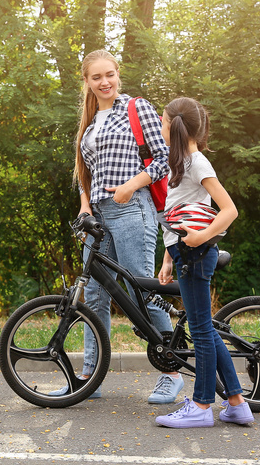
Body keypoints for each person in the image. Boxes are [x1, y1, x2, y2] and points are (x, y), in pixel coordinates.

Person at [59, 49, 183, 404]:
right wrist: (85, 207)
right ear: (86, 81)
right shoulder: (89, 120)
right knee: (93, 297)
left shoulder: (136, 108)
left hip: (132, 211)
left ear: (118, 74)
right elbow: (85, 173)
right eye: (96, 77)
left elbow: (164, 159)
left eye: (109, 74)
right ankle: (90, 377)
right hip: (98, 217)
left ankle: (172, 371)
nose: (105, 82)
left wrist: (131, 185)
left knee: (142, 290)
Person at [154, 96, 253, 428]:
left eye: (162, 120)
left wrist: (200, 237)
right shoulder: (180, 163)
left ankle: (200, 407)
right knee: (205, 329)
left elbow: (229, 210)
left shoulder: (197, 162)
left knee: (199, 330)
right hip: (184, 253)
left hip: (196, 253)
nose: (160, 125)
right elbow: (177, 216)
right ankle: (237, 404)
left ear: (174, 126)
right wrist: (168, 258)